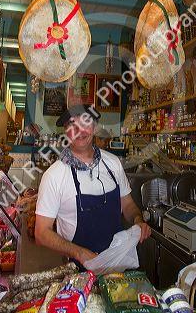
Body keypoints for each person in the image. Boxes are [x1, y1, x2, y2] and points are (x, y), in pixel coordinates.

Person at [35, 104, 151, 268]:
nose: (79, 131)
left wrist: (138, 220)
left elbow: (128, 205)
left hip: (116, 265)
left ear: (95, 127)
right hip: (77, 271)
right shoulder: (54, 176)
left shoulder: (113, 163)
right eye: (72, 125)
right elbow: (41, 233)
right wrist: (79, 253)